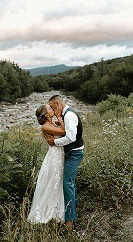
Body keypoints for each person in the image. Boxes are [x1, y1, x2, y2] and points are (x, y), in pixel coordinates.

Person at [46, 95, 84, 230]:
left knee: (67, 183)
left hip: (74, 153)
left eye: (51, 106)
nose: (51, 109)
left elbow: (71, 137)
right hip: (71, 152)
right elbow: (66, 132)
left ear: (57, 103)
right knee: (69, 182)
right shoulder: (65, 115)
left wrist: (54, 142)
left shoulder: (69, 116)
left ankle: (70, 220)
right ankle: (73, 207)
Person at [28, 104, 66, 224]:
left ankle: (56, 208)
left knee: (58, 181)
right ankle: (48, 211)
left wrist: (59, 120)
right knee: (53, 181)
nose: (52, 109)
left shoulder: (51, 123)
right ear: (45, 115)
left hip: (59, 153)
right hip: (55, 155)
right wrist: (60, 117)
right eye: (49, 109)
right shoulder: (45, 126)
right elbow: (64, 131)